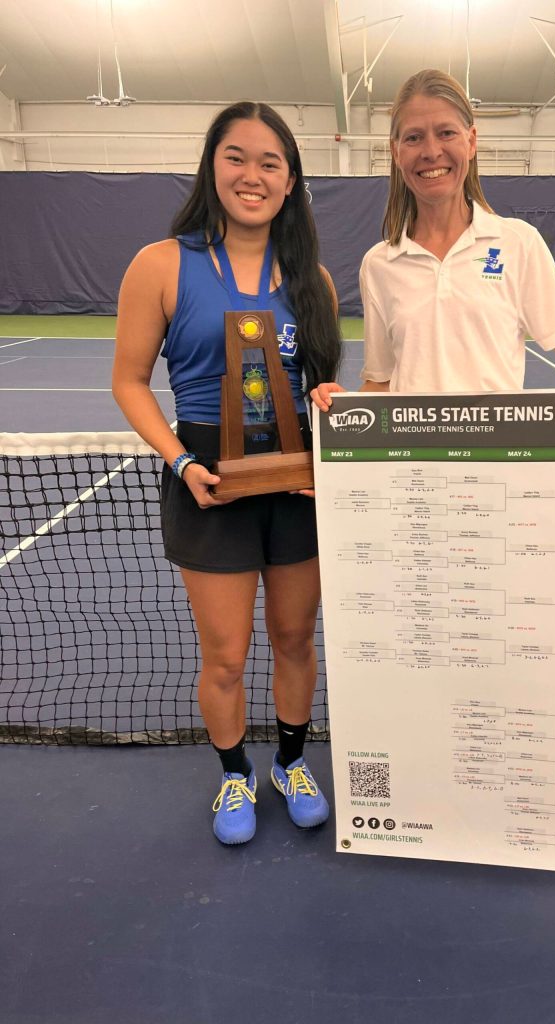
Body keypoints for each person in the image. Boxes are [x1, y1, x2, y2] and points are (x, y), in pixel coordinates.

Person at [113, 101, 341, 845]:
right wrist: (181, 462)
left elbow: (322, 388)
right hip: (206, 478)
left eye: (271, 162)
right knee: (225, 654)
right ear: (213, 165)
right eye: (237, 156)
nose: (253, 174)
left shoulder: (316, 280)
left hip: (297, 482)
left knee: (295, 638)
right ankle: (235, 777)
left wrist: (324, 442)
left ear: (290, 180)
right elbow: (129, 380)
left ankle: (291, 763)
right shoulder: (160, 264)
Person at [311, 68, 555, 411]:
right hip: (416, 476)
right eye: (413, 138)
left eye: (445, 132)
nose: (431, 151)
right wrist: (341, 411)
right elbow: (381, 383)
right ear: (396, 152)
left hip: (496, 471)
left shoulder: (519, 244)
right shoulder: (379, 264)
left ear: (470, 140)